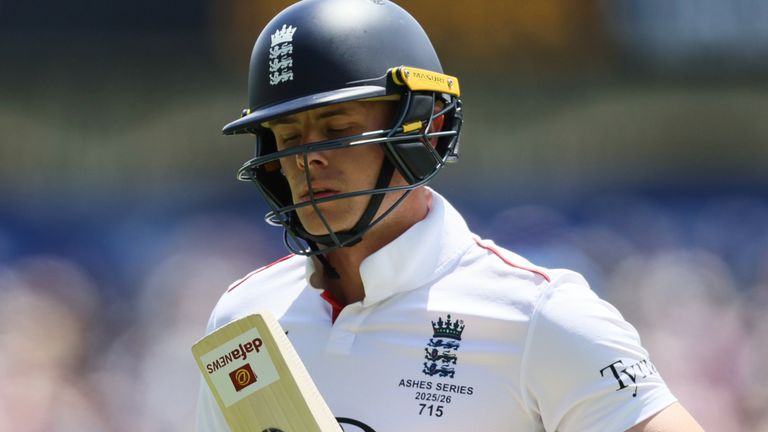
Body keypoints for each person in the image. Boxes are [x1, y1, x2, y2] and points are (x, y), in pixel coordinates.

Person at [197, 0, 704, 430]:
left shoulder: (543, 315)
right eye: (288, 138)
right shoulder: (243, 319)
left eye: (336, 127)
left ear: (423, 130)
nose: (309, 157)